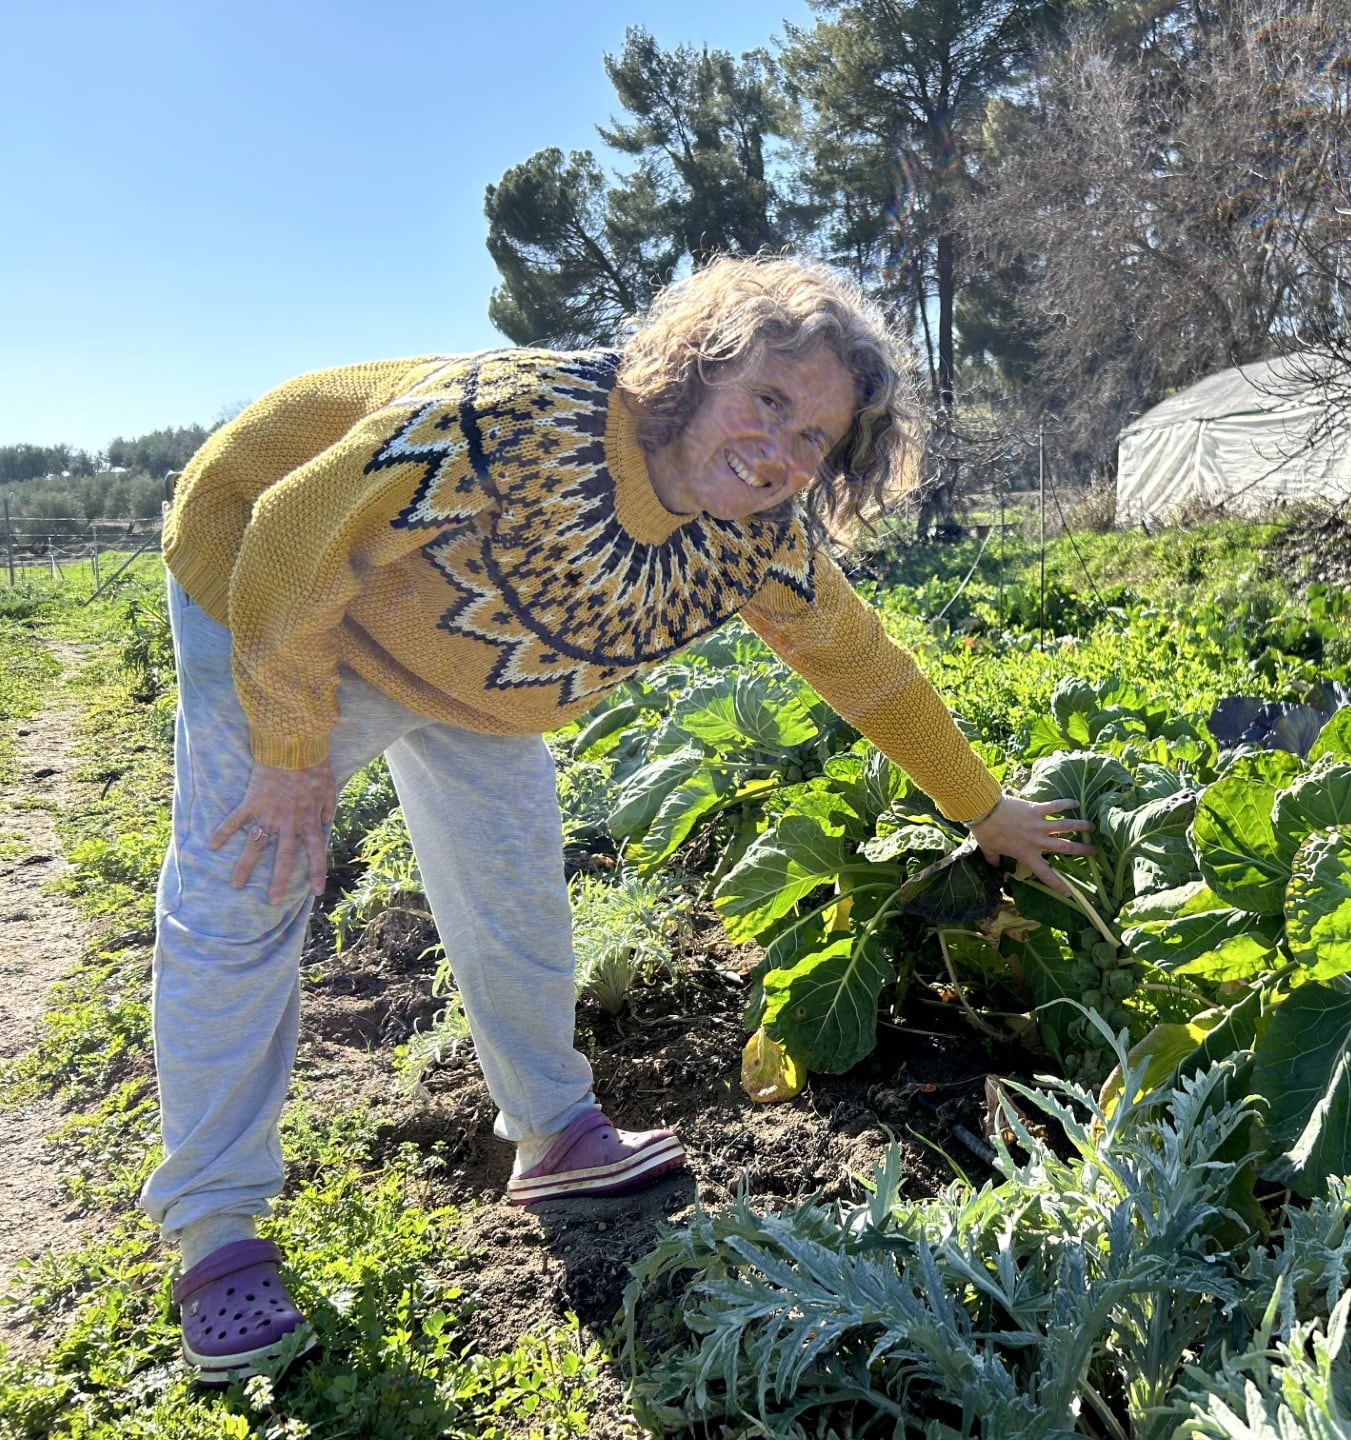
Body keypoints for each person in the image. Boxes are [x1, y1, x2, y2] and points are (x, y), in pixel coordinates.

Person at [146, 254, 1094, 1382]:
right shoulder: (509, 425)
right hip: (278, 589)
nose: (778, 452)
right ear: (697, 365)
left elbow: (863, 667)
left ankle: (552, 1136)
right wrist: (291, 748)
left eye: (814, 443)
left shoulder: (755, 532)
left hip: (469, 662)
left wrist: (984, 810)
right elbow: (299, 529)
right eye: (769, 400)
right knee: (247, 883)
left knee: (513, 883)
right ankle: (216, 1234)